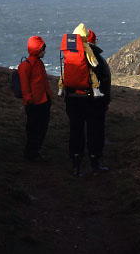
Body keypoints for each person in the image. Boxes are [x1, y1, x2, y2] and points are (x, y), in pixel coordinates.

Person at [58, 23, 111, 177]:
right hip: (93, 101)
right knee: (95, 131)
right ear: (91, 40)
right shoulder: (96, 58)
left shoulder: (70, 54)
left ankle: (76, 163)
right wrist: (105, 101)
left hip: (73, 99)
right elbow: (105, 81)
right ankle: (95, 162)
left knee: (76, 131)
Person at [19, 36, 52, 162]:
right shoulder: (27, 66)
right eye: (43, 49)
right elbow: (25, 87)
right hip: (35, 103)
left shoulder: (37, 63)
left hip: (43, 101)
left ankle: (35, 151)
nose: (44, 51)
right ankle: (31, 153)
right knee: (34, 129)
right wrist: (29, 101)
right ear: (37, 49)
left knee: (41, 128)